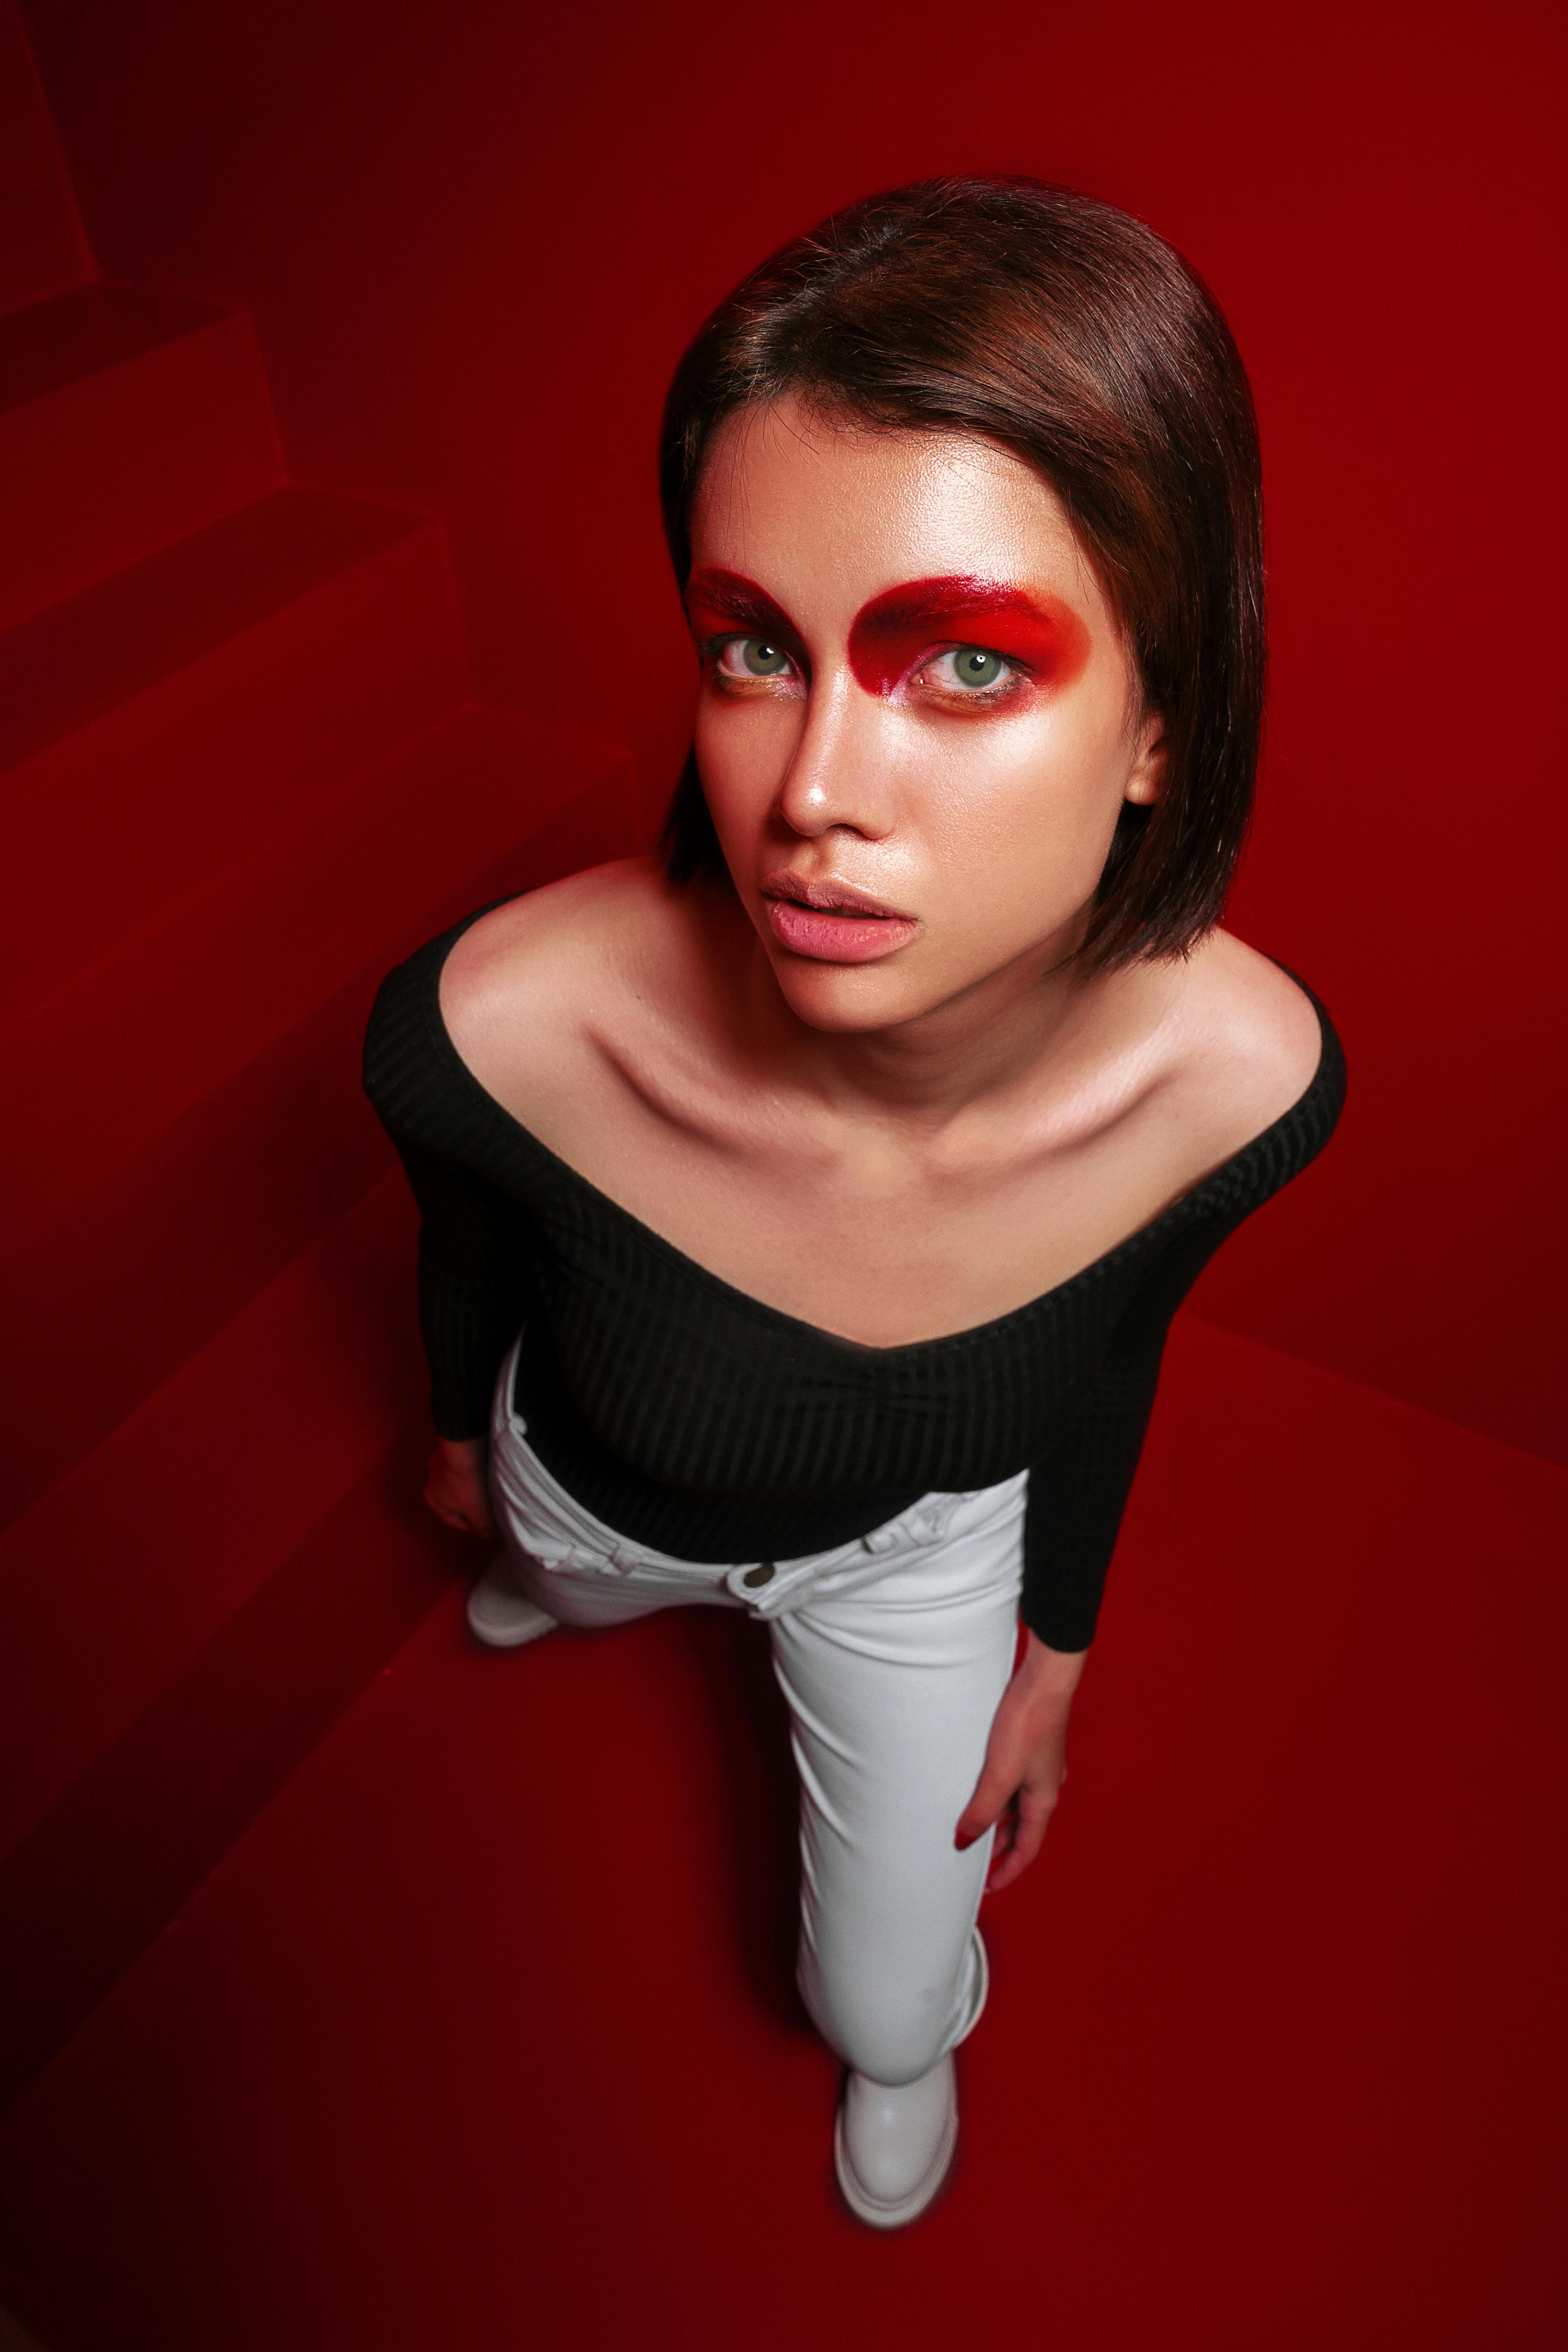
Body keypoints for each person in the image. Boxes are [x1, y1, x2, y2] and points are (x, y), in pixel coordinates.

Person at [363, 176, 1345, 2229]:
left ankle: (903, 2035)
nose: (814, 783)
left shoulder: (1237, 1083)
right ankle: (556, 1582)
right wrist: (462, 1446)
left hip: (912, 1559)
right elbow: (470, 1254)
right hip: (590, 1490)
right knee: (532, 1570)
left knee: (886, 2006)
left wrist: (1051, 1656)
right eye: (751, 647)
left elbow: (1112, 1342)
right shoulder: (500, 1023)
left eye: (964, 667)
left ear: (1162, 721)